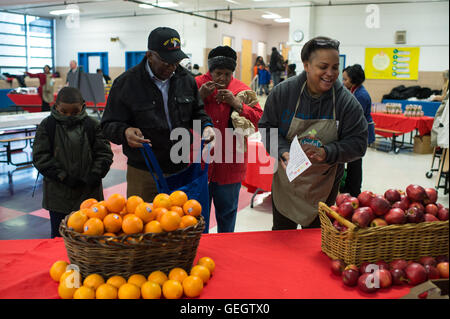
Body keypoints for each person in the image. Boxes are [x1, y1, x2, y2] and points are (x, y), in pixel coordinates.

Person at [258, 36, 368, 230]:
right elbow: (267, 129)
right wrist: (283, 151)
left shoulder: (346, 103)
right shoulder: (284, 93)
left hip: (323, 187)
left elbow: (358, 143)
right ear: (306, 65)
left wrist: (328, 152)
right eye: (323, 67)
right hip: (286, 184)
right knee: (282, 241)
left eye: (335, 67)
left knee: (316, 243)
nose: (330, 73)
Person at [101, 27, 215, 202]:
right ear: (149, 55)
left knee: (179, 225)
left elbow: (197, 112)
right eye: (165, 61)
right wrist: (124, 132)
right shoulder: (126, 84)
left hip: (181, 167)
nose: (172, 66)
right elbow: (108, 125)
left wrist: (206, 126)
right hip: (144, 172)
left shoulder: (186, 80)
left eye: (176, 61)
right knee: (143, 225)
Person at [196, 45, 263, 233]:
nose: (223, 79)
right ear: (210, 69)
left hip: (230, 165)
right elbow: (177, 115)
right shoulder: (195, 84)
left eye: (227, 74)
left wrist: (237, 104)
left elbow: (259, 120)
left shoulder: (242, 90)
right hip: (198, 163)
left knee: (227, 215)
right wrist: (199, 97)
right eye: (218, 73)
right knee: (197, 217)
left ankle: (227, 252)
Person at [32, 87, 113, 238]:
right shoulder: (48, 125)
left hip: (89, 194)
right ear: (56, 106)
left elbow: (104, 153)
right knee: (59, 238)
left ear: (83, 106)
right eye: (64, 111)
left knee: (92, 237)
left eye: (75, 112)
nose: (69, 116)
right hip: (58, 195)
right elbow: (40, 156)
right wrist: (62, 176)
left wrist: (95, 174)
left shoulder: (92, 125)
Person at [340, 64, 375, 197]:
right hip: (356, 131)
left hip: (360, 133)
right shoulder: (354, 91)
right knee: (352, 160)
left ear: (353, 80)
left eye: (345, 80)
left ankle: (354, 190)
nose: (343, 83)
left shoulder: (360, 95)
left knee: (355, 161)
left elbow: (353, 117)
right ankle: (349, 187)